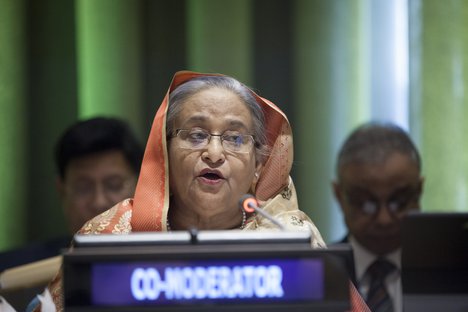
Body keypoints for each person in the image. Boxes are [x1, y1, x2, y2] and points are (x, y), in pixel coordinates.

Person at [33, 71, 369, 311]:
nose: (214, 152)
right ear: (164, 153)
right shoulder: (110, 233)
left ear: (256, 166)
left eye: (235, 138)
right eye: (195, 135)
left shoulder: (291, 238)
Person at [0, 117, 144, 272]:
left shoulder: (165, 266)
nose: (99, 202)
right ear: (62, 192)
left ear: (141, 187)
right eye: (83, 188)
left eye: (114, 185)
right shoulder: (13, 273)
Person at [332, 121, 424, 312]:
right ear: (339, 196)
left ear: (419, 191)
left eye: (398, 202)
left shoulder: (454, 273)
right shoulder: (318, 276)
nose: (384, 219)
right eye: (366, 203)